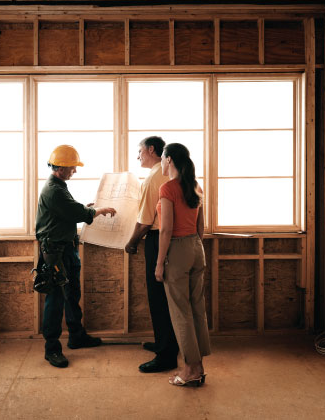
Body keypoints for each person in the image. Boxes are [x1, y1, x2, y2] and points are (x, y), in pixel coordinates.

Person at [36, 144, 116, 368]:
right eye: (73, 167)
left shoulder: (59, 186)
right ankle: (51, 349)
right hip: (55, 253)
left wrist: (84, 207)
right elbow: (77, 213)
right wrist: (98, 210)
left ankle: (76, 336)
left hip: (66, 250)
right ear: (61, 167)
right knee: (56, 300)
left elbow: (69, 210)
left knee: (72, 294)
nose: (75, 171)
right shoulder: (53, 189)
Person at [155, 143, 211, 386]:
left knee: (181, 312)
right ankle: (198, 366)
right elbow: (201, 226)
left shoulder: (167, 188)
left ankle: (189, 370)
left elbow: (166, 229)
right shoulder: (195, 186)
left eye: (162, 159)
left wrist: (159, 264)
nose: (161, 163)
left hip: (177, 250)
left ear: (168, 160)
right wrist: (196, 247)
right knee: (197, 308)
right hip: (196, 248)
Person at [125, 136, 179, 373]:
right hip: (177, 241)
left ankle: (166, 355)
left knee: (158, 297)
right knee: (167, 296)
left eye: (140, 152)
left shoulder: (153, 179)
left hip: (158, 239)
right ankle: (164, 344)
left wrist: (131, 243)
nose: (138, 157)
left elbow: (146, 221)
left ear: (151, 150)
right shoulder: (171, 174)